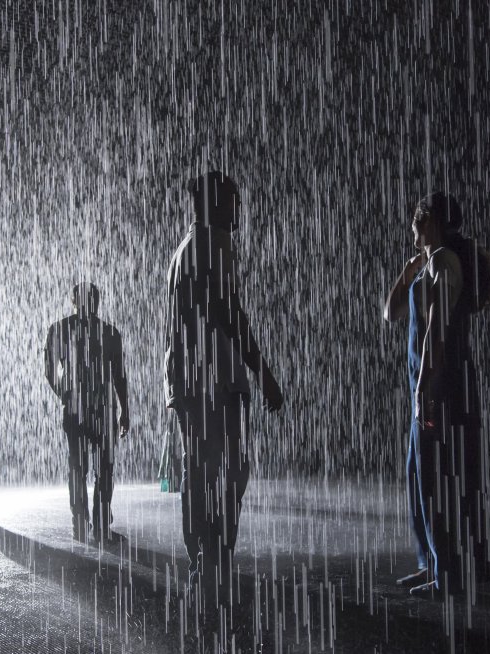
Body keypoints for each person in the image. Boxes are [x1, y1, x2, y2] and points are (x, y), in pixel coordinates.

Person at [164, 170, 284, 613]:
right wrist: (263, 372)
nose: (239, 213)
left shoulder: (184, 249)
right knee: (227, 473)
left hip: (192, 382)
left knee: (204, 473)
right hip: (212, 382)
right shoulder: (212, 247)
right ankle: (211, 566)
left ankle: (206, 565)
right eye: (233, 203)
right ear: (213, 205)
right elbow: (229, 313)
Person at [384, 192, 490, 596]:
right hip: (432, 383)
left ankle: (447, 573)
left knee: (437, 479)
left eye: (415, 222)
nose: (411, 230)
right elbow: (390, 312)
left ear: (427, 221)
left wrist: (423, 389)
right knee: (419, 473)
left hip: (442, 386)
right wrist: (408, 269)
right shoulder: (429, 265)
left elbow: (438, 330)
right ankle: (431, 562)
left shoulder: (445, 262)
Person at [44, 283, 130, 544]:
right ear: (96, 302)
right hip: (103, 409)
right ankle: (101, 528)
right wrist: (125, 409)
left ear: (73, 301)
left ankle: (80, 525)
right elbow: (119, 377)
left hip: (75, 410)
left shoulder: (60, 329)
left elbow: (49, 370)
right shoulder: (109, 332)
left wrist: (66, 396)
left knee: (77, 468)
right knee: (104, 471)